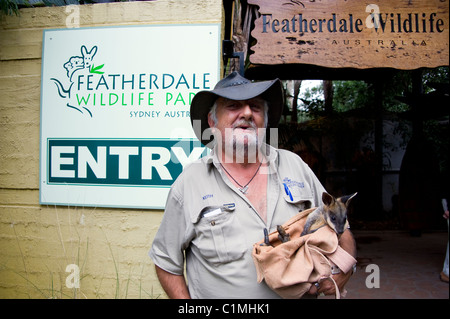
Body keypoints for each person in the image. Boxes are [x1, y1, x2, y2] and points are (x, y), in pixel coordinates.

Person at [149, 72, 357, 299]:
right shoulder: (190, 184)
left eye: (256, 107)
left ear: (265, 121)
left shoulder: (294, 165)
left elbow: (339, 223)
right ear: (212, 122)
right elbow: (166, 263)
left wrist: (345, 267)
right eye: (233, 106)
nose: (247, 113)